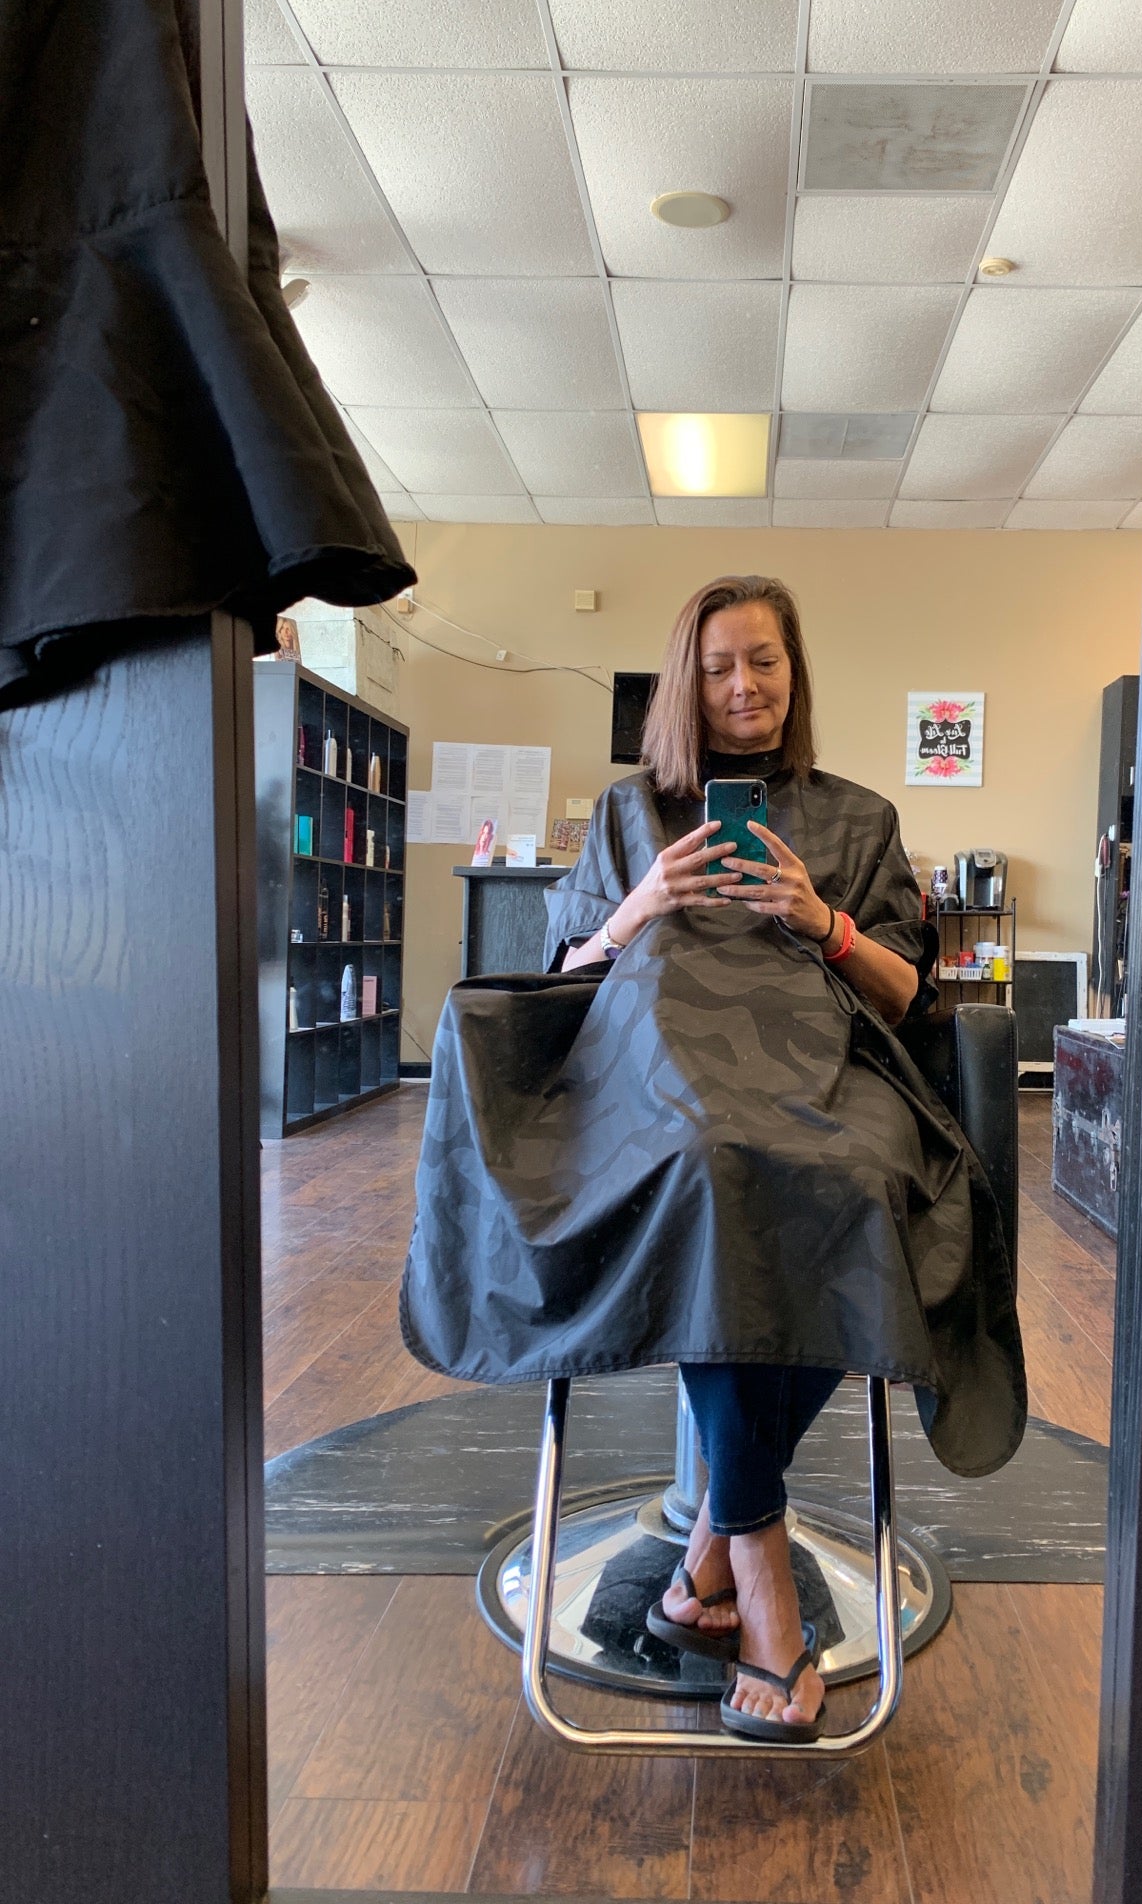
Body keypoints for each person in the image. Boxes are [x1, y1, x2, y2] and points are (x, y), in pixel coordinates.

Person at [400, 575, 1025, 1743]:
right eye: (719, 665)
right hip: (654, 1084)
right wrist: (639, 904)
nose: (745, 685)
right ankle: (763, 1582)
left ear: (796, 671)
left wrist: (819, 918)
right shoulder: (629, 813)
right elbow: (563, 977)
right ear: (684, 684)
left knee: (862, 1191)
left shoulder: (859, 820)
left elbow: (909, 995)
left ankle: (710, 1557)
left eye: (765, 661)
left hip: (827, 1075)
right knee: (714, 1162)